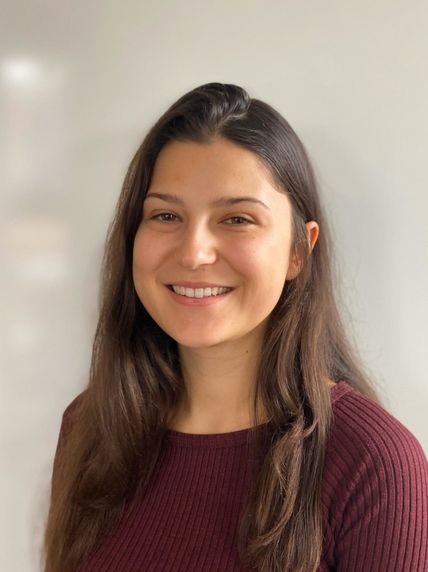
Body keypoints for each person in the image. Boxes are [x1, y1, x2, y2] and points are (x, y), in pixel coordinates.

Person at [42, 83, 428, 572]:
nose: (194, 252)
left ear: (298, 251)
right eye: (165, 214)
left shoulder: (373, 463)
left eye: (237, 218)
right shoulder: (90, 427)